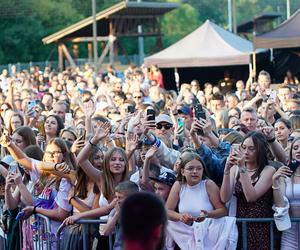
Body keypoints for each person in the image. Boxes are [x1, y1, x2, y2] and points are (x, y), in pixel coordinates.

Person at [220, 131, 276, 250]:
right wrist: (226, 171)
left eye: (251, 149)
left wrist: (242, 168)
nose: (246, 152)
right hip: (240, 225)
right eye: (243, 147)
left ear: (260, 151)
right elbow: (225, 198)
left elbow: (251, 197)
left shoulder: (268, 170)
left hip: (261, 227)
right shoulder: (235, 169)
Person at [166, 151, 227, 249]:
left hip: (209, 237)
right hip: (185, 238)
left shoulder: (209, 184)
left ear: (203, 170)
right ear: (182, 172)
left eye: (199, 169)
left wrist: (208, 215)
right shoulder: (178, 185)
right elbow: (167, 211)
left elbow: (223, 210)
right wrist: (181, 217)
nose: (195, 171)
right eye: (190, 168)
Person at [272, 137, 300, 250]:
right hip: (290, 229)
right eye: (296, 148)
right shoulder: (285, 175)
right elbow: (280, 204)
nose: (298, 151)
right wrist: (275, 181)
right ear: (291, 152)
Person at [102, 181, 139, 249]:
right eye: (116, 197)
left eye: (120, 197)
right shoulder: (115, 210)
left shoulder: (143, 210)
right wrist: (117, 214)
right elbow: (106, 232)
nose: (116, 200)